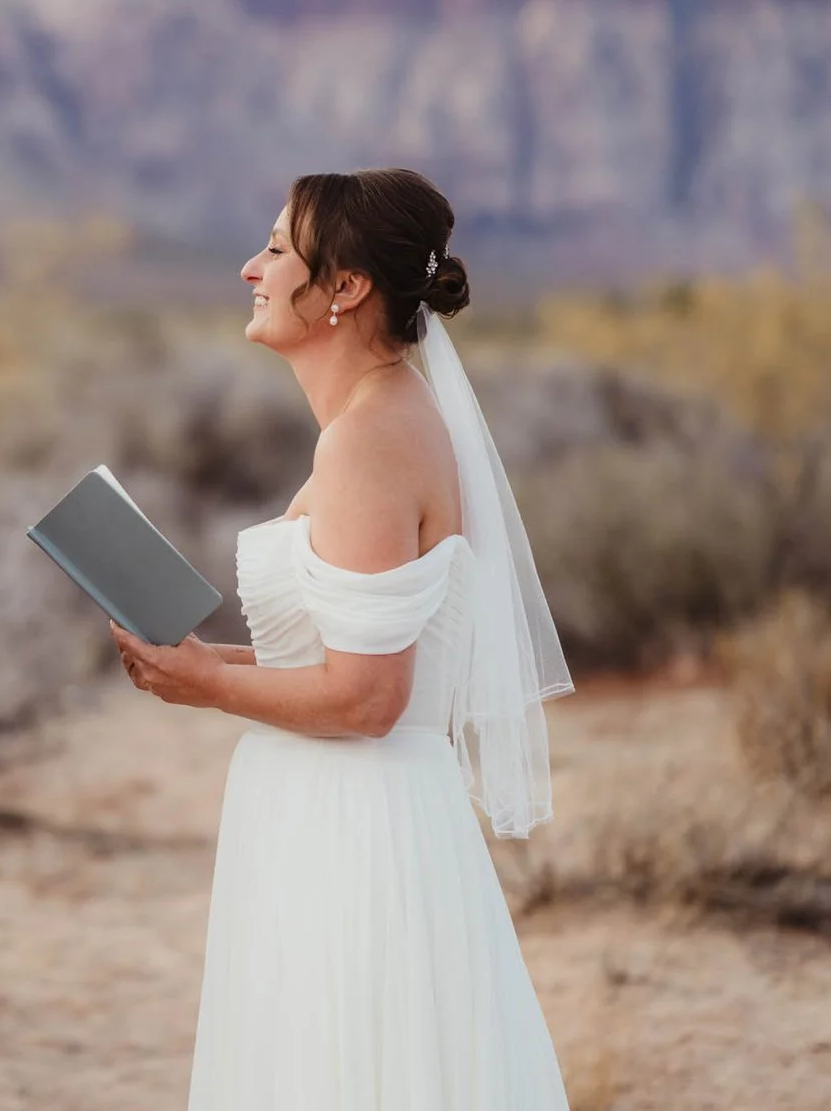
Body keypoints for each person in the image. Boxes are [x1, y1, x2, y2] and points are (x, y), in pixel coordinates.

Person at [112, 167, 574, 1110]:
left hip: (357, 825)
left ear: (348, 286)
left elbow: (369, 697)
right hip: (331, 809)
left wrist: (206, 683)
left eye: (277, 249)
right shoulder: (381, 419)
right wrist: (202, 660)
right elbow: (349, 658)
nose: (251, 268)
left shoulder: (369, 438)